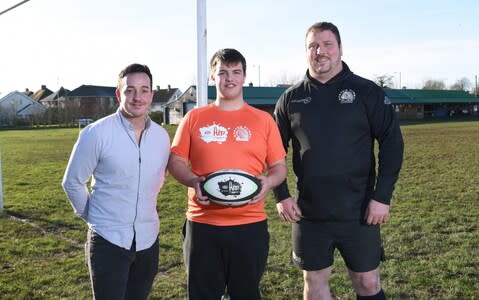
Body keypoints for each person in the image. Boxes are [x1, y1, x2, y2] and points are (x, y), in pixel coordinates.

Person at [273, 22, 404, 300]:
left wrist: (382, 197)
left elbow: (392, 143)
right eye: (313, 46)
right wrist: (282, 195)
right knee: (314, 282)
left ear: (340, 49)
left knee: (367, 281)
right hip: (309, 212)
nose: (320, 51)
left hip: (359, 210)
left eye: (327, 44)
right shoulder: (291, 99)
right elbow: (273, 151)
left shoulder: (366, 92)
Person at [168, 48, 287, 300]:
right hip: (202, 225)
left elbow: (279, 167)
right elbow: (175, 161)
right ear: (213, 76)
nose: (229, 78)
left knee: (246, 294)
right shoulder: (194, 118)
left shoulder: (264, 120)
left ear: (244, 77)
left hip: (250, 225)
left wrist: (269, 182)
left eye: (236, 72)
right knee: (202, 295)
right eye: (222, 72)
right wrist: (191, 180)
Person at [62, 63, 170, 300]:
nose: (137, 97)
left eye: (144, 90)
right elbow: (72, 182)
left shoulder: (162, 137)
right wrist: (93, 216)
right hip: (108, 241)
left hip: (148, 240)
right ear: (119, 94)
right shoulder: (96, 133)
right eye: (130, 90)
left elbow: (157, 179)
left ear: (152, 94)